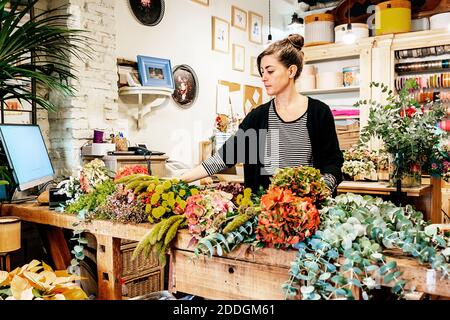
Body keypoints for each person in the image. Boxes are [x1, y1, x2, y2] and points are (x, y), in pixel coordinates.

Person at [181, 34, 343, 194]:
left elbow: (333, 162)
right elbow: (225, 157)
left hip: (308, 211)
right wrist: (180, 180)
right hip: (267, 212)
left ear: (291, 71)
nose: (264, 78)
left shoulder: (318, 113)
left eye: (270, 71)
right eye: (262, 72)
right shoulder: (258, 117)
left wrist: (323, 189)